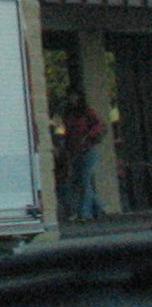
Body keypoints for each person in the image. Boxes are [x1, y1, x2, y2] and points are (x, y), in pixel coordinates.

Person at [61, 92, 107, 221]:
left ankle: (85, 213)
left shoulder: (87, 112)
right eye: (70, 96)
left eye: (74, 96)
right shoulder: (68, 113)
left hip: (88, 149)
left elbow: (99, 125)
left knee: (85, 180)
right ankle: (99, 206)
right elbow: (67, 132)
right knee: (78, 181)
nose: (71, 98)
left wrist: (88, 135)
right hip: (75, 150)